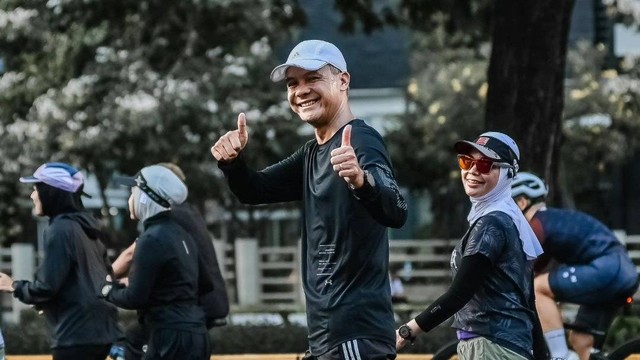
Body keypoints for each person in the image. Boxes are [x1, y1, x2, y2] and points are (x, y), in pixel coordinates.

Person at [211, 39, 408, 360]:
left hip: (355, 334)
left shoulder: (361, 140)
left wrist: (362, 180)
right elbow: (254, 190)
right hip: (328, 338)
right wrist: (232, 163)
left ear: (343, 81)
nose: (300, 90)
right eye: (292, 83)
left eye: (313, 78)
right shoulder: (311, 154)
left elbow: (397, 211)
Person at [395, 132, 545, 360]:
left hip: (491, 347)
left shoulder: (491, 223)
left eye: (485, 165)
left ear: (507, 174)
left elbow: (459, 294)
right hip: (507, 347)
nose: (473, 171)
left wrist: (406, 331)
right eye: (467, 161)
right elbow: (527, 302)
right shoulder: (508, 219)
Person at [511, 172, 639, 360]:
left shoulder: (536, 224)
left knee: (538, 288)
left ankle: (560, 356)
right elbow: (535, 268)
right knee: (581, 340)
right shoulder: (553, 221)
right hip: (621, 273)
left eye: (508, 205)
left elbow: (522, 271)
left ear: (522, 203)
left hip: (608, 269)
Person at [0, 162, 122, 360]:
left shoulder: (60, 230)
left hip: (75, 337)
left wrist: (13, 286)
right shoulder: (86, 229)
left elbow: (46, 286)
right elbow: (99, 280)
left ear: (50, 193)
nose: (32, 195)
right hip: (101, 333)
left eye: (35, 189)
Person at [110, 162, 229, 360]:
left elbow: (132, 259)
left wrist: (105, 283)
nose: (130, 198)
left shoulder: (164, 223)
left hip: (176, 322)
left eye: (133, 192)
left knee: (130, 339)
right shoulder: (187, 217)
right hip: (199, 316)